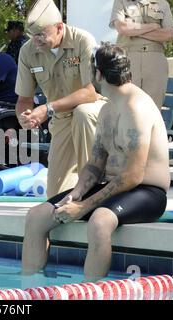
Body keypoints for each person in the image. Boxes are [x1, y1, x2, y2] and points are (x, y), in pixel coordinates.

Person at [22, 43, 169, 282]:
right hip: (115, 189)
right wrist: (77, 194)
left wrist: (84, 206)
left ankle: (90, 291)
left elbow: (133, 175)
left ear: (98, 74)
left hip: (147, 192)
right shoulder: (107, 110)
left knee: (100, 222)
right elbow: (95, 163)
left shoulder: (136, 108)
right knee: (36, 216)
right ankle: (29, 290)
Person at [16, 0, 106, 198]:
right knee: (54, 197)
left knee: (83, 113)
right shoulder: (27, 51)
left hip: (94, 110)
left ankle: (93, 184)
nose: (36, 41)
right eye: (32, 35)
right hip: (62, 118)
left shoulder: (83, 40)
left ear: (59, 27)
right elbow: (24, 99)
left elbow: (90, 92)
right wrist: (25, 117)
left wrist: (47, 109)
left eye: (41, 35)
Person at [110, 0, 173, 109]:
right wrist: (153, 26)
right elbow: (122, 28)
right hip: (128, 60)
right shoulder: (121, 2)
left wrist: (135, 31)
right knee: (125, 107)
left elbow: (169, 34)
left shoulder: (163, 4)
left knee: (153, 108)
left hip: (155, 60)